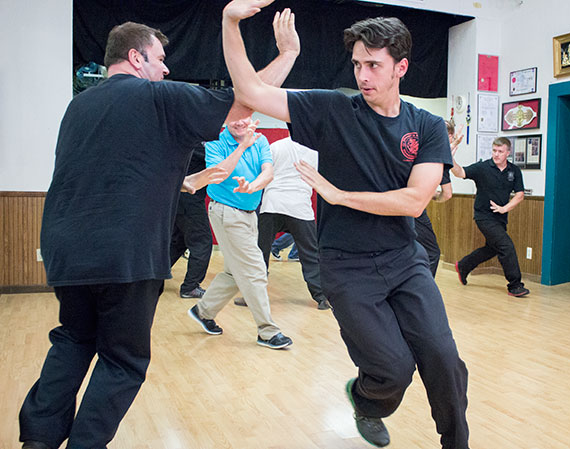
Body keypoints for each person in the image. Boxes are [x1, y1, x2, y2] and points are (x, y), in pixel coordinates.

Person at [19, 11, 299, 449]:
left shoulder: (79, 105)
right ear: (136, 58)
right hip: (123, 253)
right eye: (160, 58)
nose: (166, 68)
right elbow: (246, 99)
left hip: (63, 250)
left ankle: (37, 440)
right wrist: (288, 53)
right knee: (122, 361)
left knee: (74, 339)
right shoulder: (158, 98)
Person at [221, 2, 469, 448]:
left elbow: (415, 201)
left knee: (444, 360)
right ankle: (366, 398)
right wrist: (231, 22)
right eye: (357, 64)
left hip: (403, 259)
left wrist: (338, 196)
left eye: (374, 64)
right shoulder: (332, 111)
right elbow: (250, 92)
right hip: (346, 267)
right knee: (393, 369)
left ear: (401, 68)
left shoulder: (427, 126)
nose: (363, 75)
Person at [187, 116, 293, 349]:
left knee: (234, 273)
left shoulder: (261, 140)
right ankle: (267, 331)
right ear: (225, 120)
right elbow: (220, 174)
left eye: (243, 118)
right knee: (255, 270)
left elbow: (268, 172)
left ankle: (203, 311)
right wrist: (243, 145)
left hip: (248, 212)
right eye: (233, 118)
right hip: (226, 212)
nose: (239, 123)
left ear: (252, 117)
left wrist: (253, 187)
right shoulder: (216, 142)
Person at [257, 136, 330, 310]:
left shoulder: (275, 146)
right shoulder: (316, 149)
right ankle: (321, 297)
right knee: (311, 254)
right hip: (299, 206)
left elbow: (263, 173)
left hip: (272, 204)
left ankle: (253, 296)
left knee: (261, 252)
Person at [451, 136, 530, 297]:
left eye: (500, 151)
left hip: (500, 217)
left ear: (508, 152)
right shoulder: (482, 168)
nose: (496, 154)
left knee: (492, 248)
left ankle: (464, 265)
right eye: (494, 150)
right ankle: (515, 285)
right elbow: (460, 172)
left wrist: (504, 209)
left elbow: (520, 195)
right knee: (506, 246)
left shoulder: (514, 171)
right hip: (483, 216)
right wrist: (449, 158)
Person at [414, 120, 463, 277]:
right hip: (413, 208)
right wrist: (433, 195)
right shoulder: (438, 156)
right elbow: (447, 194)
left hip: (390, 202)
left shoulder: (417, 148)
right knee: (432, 253)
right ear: (447, 135)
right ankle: (423, 292)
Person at [170, 143, 214, 299]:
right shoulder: (199, 145)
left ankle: (155, 276)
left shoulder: (185, 141)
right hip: (189, 198)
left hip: (177, 197)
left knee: (179, 240)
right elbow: (217, 165)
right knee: (202, 241)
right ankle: (190, 287)